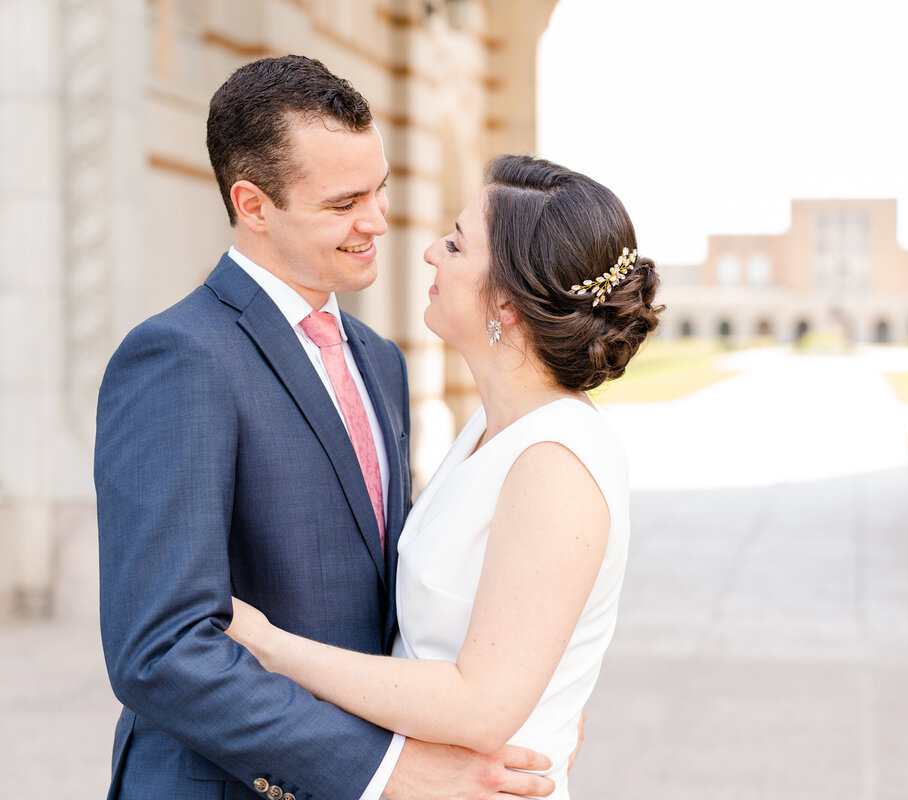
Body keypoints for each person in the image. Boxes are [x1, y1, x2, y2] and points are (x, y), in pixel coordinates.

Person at [95, 56, 556, 800]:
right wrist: (387, 771)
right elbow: (162, 650)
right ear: (253, 204)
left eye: (379, 190)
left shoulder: (380, 361)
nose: (375, 222)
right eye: (343, 202)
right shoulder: (178, 357)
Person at [224, 154, 663, 799]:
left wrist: (271, 647)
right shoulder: (492, 429)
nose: (430, 252)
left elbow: (480, 705)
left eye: (456, 245)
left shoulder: (555, 463)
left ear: (507, 302)